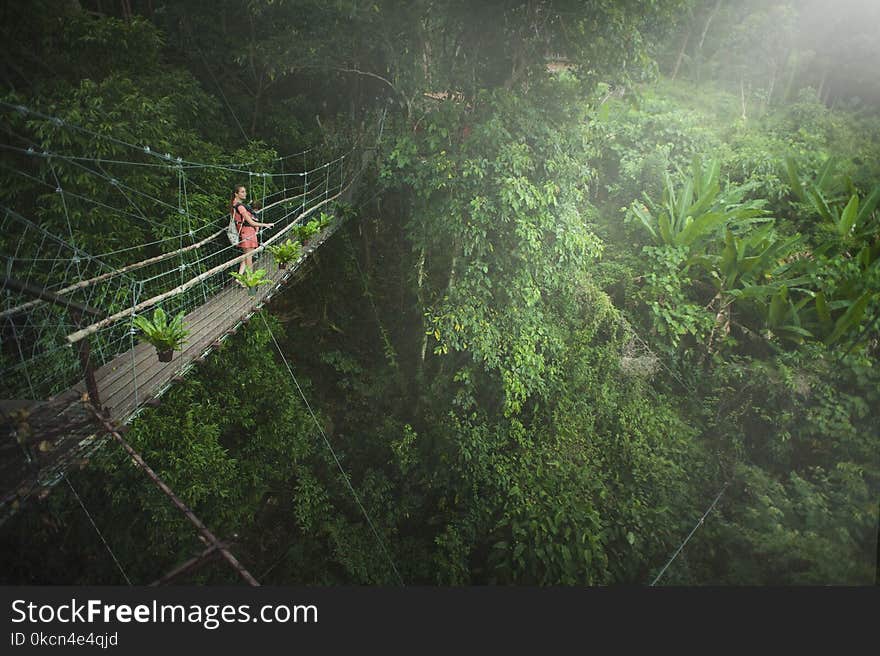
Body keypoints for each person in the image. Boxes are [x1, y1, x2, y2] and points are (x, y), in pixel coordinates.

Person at [230, 185, 274, 279]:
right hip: (248, 233)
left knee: (246, 256)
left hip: (243, 233)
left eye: (245, 191)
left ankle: (239, 278)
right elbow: (251, 222)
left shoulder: (234, 204)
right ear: (236, 194)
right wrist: (265, 225)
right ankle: (249, 282)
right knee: (249, 260)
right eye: (242, 192)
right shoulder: (240, 207)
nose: (245, 193)